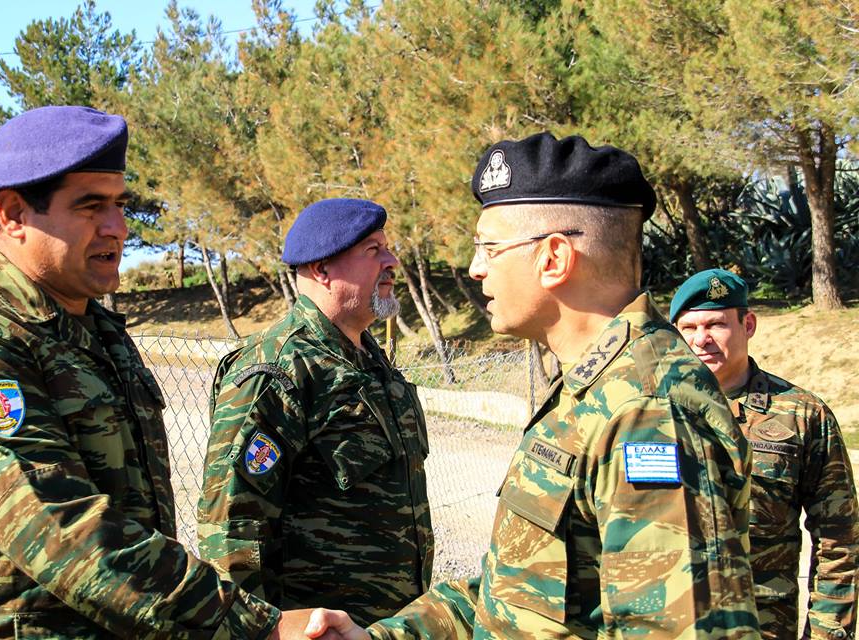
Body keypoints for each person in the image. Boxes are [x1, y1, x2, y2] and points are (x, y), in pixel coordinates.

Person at [305, 132, 761, 639]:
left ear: (553, 258)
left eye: (489, 247)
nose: (476, 268)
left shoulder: (648, 412)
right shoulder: (597, 386)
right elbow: (518, 593)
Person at [0, 105, 316, 639]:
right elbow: (61, 531)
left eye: (120, 205)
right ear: (13, 214)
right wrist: (254, 628)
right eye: (91, 206)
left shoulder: (96, 330)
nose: (117, 228)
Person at [197, 198, 433, 626]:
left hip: (389, 629)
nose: (392, 262)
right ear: (322, 270)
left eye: (387, 248)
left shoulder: (371, 362)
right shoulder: (277, 371)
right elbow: (231, 533)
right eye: (373, 250)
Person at [671, 269, 859, 640]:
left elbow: (839, 539)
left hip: (763, 626)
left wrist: (827, 634)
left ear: (748, 325)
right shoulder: (649, 411)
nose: (701, 339)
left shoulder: (802, 415)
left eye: (716, 324)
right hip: (667, 625)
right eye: (688, 328)